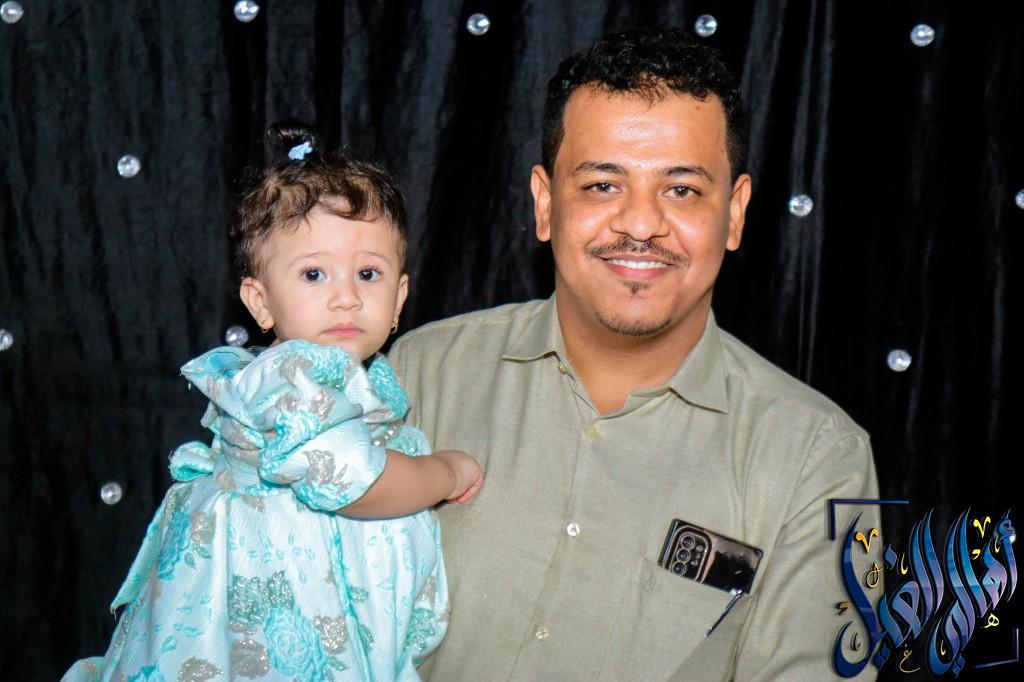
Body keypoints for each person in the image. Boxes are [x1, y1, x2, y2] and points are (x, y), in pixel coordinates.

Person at [389, 27, 881, 680]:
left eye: (681, 190)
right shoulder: (423, 373)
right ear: (545, 204)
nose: (641, 224)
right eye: (602, 185)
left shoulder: (818, 460)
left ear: (735, 213)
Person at [64, 122, 483, 682]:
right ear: (260, 302)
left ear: (400, 296)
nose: (346, 296)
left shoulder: (363, 380)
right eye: (314, 273)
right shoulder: (291, 379)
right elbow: (354, 484)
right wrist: (445, 471)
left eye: (368, 273)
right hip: (272, 628)